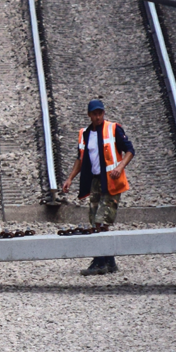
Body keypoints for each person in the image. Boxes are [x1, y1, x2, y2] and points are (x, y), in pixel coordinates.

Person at [59, 99, 133, 275]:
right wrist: (70, 178)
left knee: (102, 220)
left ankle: (100, 261)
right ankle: (110, 263)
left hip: (112, 181)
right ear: (89, 115)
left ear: (103, 113)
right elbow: (80, 158)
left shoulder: (113, 129)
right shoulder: (84, 134)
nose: (98, 116)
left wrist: (120, 167)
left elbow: (130, 151)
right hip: (95, 182)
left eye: (100, 113)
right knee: (94, 222)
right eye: (94, 113)